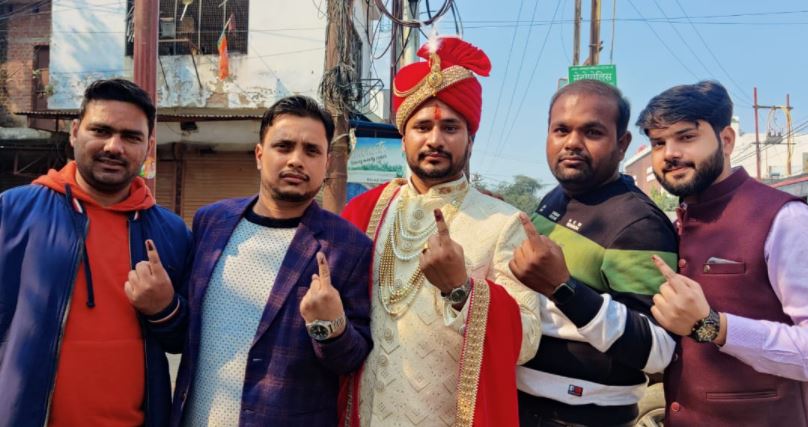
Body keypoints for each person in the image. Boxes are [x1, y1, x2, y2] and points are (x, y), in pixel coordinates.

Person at [340, 36, 541, 427]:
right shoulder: (365, 212)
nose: (435, 139)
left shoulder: (503, 223)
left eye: (450, 127)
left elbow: (527, 341)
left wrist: (460, 290)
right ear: (404, 138)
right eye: (422, 127)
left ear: (471, 139)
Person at [169, 95, 373, 426]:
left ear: (326, 164)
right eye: (284, 146)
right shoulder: (211, 222)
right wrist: (160, 307)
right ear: (259, 155)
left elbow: (353, 360)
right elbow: (185, 331)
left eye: (311, 151)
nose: (296, 160)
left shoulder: (349, 248)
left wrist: (331, 326)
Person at [0, 78, 191, 427]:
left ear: (148, 146)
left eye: (131, 137)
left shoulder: (171, 232)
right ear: (75, 132)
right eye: (101, 130)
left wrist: (165, 309)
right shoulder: (13, 213)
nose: (114, 147)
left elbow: (186, 341)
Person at [637, 81, 808, 426]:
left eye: (686, 137)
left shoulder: (783, 218)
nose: (669, 153)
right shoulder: (675, 226)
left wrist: (714, 326)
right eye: (658, 142)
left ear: (726, 140)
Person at [509, 79, 678, 427]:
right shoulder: (556, 198)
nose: (572, 143)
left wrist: (563, 288)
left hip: (584, 418)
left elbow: (660, 350)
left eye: (592, 132)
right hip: (521, 407)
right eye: (561, 130)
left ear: (622, 144)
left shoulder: (637, 223)